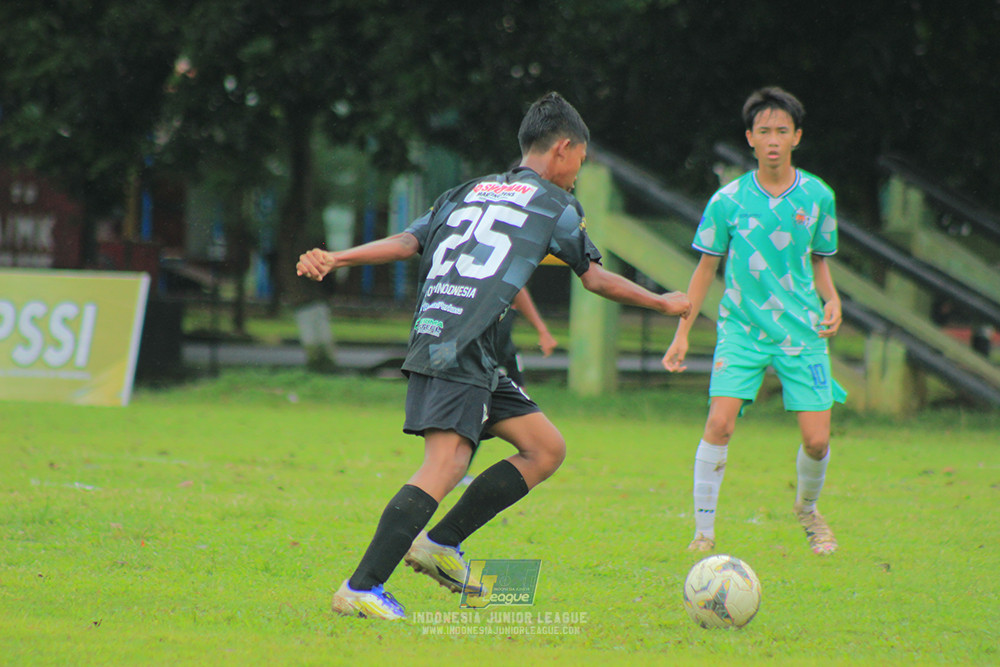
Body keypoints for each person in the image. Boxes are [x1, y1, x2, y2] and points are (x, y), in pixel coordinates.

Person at [297, 92, 691, 620]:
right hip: (460, 345)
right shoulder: (554, 204)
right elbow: (595, 277)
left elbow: (408, 241)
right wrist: (662, 301)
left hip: (460, 342)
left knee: (545, 448)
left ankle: (440, 544)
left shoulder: (467, 190)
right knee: (445, 463)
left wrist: (339, 257)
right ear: (564, 149)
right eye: (581, 159)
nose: (578, 171)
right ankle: (361, 586)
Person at [661, 86, 845, 556]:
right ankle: (703, 533)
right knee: (719, 424)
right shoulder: (728, 201)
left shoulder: (819, 196)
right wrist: (682, 331)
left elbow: (820, 260)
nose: (773, 140)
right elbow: (706, 268)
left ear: (797, 137)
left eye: (782, 131)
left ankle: (807, 509)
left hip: (802, 333)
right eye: (764, 131)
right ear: (750, 138)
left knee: (818, 440)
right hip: (741, 329)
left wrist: (832, 299)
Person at [496, 287, 558, 385]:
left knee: (518, 390)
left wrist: (543, 331)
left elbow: (518, 290)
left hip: (504, 347)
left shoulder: (509, 280)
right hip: (479, 347)